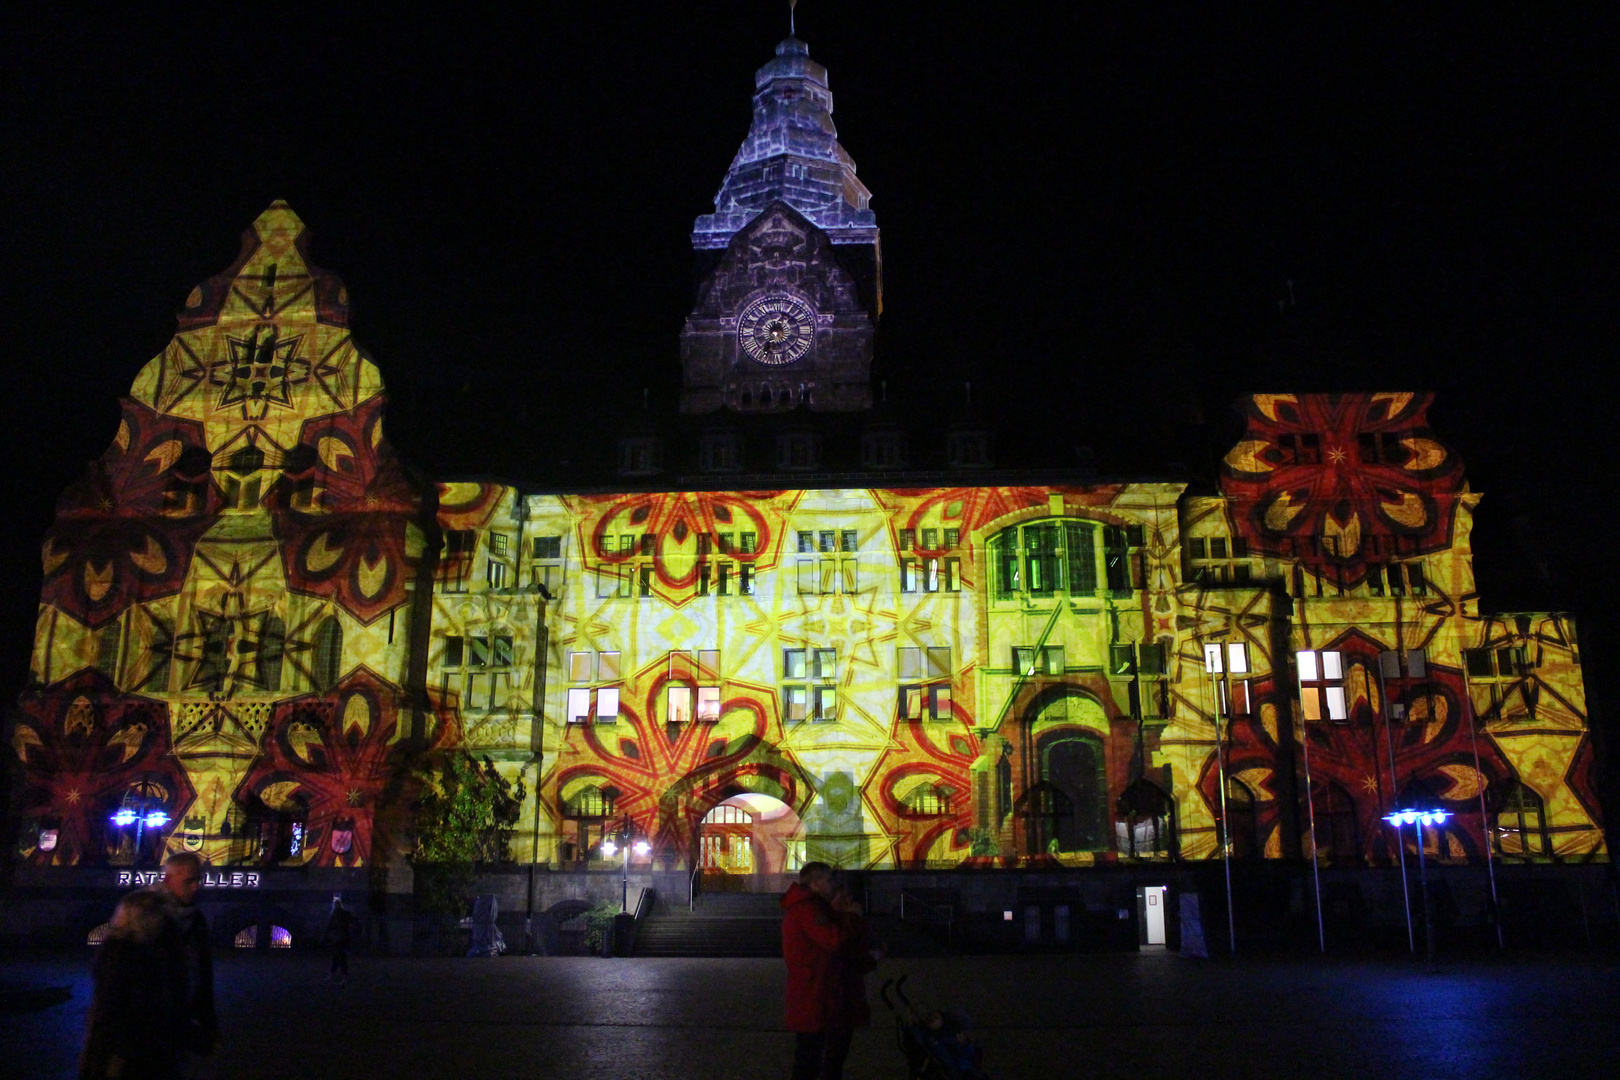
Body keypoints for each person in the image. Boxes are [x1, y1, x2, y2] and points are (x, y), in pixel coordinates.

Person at [781, 862, 876, 1080]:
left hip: (820, 993)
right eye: (829, 880)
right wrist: (850, 916)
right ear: (815, 883)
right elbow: (833, 941)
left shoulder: (814, 907)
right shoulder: (808, 909)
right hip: (814, 994)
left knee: (818, 1056)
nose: (833, 884)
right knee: (812, 1058)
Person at [80, 890, 181, 1079]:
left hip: (120, 1052)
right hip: (127, 1054)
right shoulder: (131, 960)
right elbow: (116, 1013)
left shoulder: (118, 954)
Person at [146, 852, 217, 1066]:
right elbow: (114, 977)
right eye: (189, 881)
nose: (196, 887)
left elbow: (202, 974)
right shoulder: (141, 915)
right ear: (168, 880)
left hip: (178, 1024)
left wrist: (207, 1024)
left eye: (198, 880)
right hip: (144, 1028)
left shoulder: (194, 919)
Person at [324, 896, 354, 983]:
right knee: (339, 957)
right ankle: (339, 975)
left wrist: (325, 936)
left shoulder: (334, 915)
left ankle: (341, 975)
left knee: (339, 957)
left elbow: (329, 927)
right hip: (343, 938)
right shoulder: (345, 914)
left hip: (337, 938)